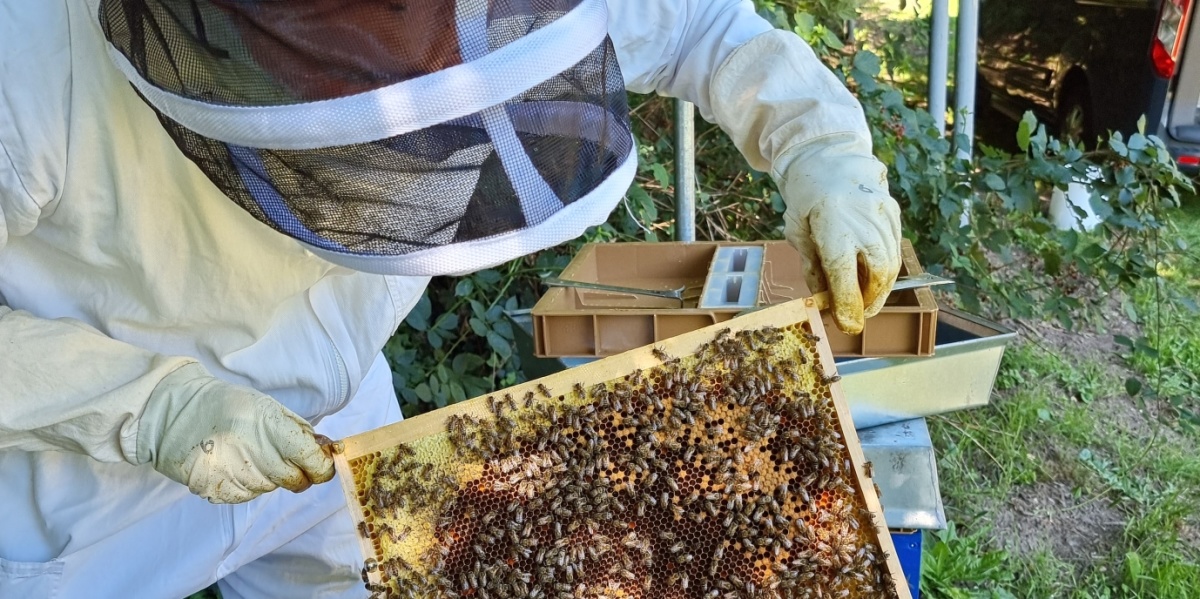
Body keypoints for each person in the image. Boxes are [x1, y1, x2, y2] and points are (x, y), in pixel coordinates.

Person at [0, 0, 901, 596]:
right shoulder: (30, 58)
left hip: (336, 417)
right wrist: (150, 406)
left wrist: (825, 154)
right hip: (77, 483)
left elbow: (703, 27)